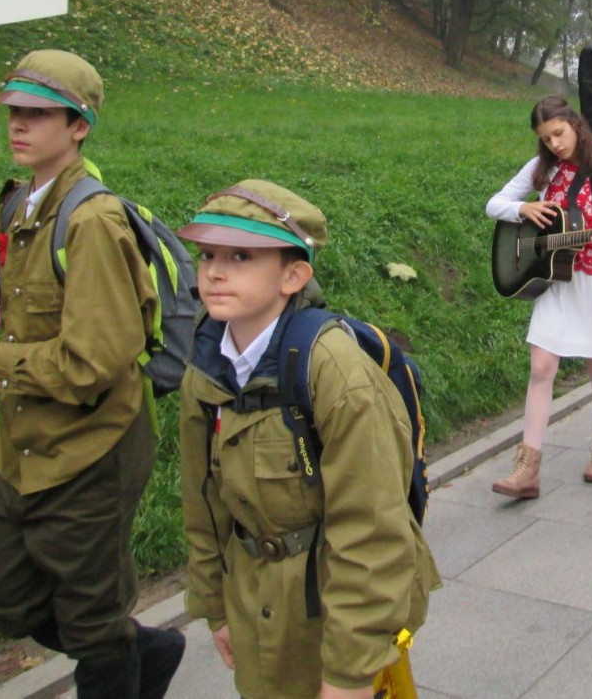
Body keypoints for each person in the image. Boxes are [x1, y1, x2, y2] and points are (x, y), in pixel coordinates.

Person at [0, 50, 184, 699]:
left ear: (78, 126)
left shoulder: (92, 220)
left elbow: (96, 362)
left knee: (92, 622)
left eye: (39, 114)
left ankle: (123, 654)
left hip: (93, 446)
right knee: (1, 595)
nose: (19, 125)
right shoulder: (23, 203)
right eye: (15, 112)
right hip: (24, 445)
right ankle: (150, 649)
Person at [177, 180, 440, 699]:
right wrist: (213, 605)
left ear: (293, 275)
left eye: (241, 255)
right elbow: (203, 500)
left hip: (334, 611)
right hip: (254, 603)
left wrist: (349, 673)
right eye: (207, 253)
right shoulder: (207, 367)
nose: (214, 270)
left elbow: (371, 530)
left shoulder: (335, 372)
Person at [486, 95, 592, 498]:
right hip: (554, 280)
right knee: (541, 367)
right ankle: (527, 468)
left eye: (559, 133)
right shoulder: (541, 169)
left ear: (575, 125)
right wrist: (523, 211)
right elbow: (493, 204)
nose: (554, 144)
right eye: (546, 138)